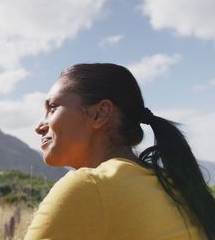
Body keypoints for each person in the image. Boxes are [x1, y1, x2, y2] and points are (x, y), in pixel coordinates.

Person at [25, 63, 215, 240]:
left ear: (100, 114)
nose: (39, 127)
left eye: (53, 107)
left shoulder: (89, 187)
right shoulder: (174, 185)